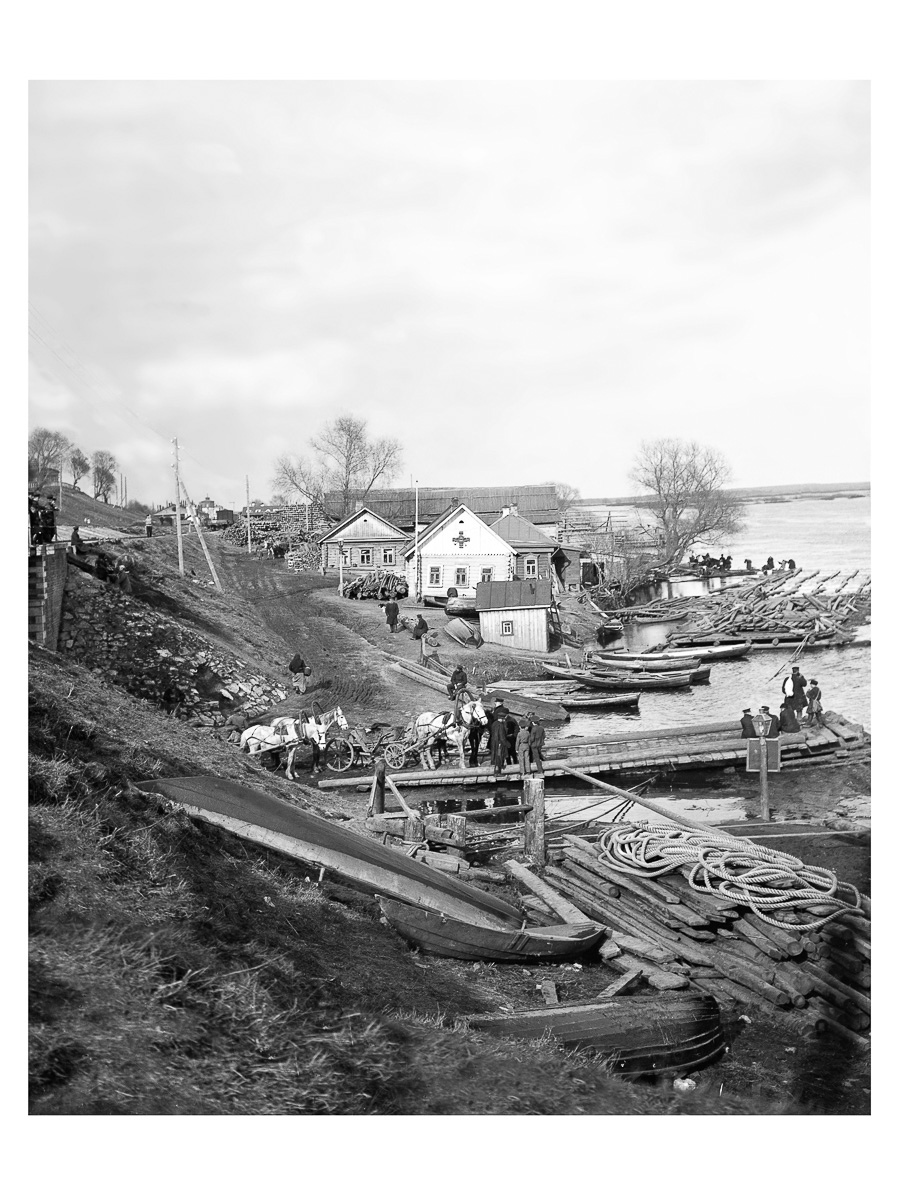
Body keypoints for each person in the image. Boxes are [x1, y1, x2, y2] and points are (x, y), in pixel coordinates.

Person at [489, 709, 508, 776]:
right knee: (499, 757)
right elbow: (502, 737)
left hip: (494, 743)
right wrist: (506, 744)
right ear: (503, 718)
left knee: (495, 756)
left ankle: (495, 770)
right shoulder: (501, 725)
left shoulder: (494, 723)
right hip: (499, 744)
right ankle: (498, 772)